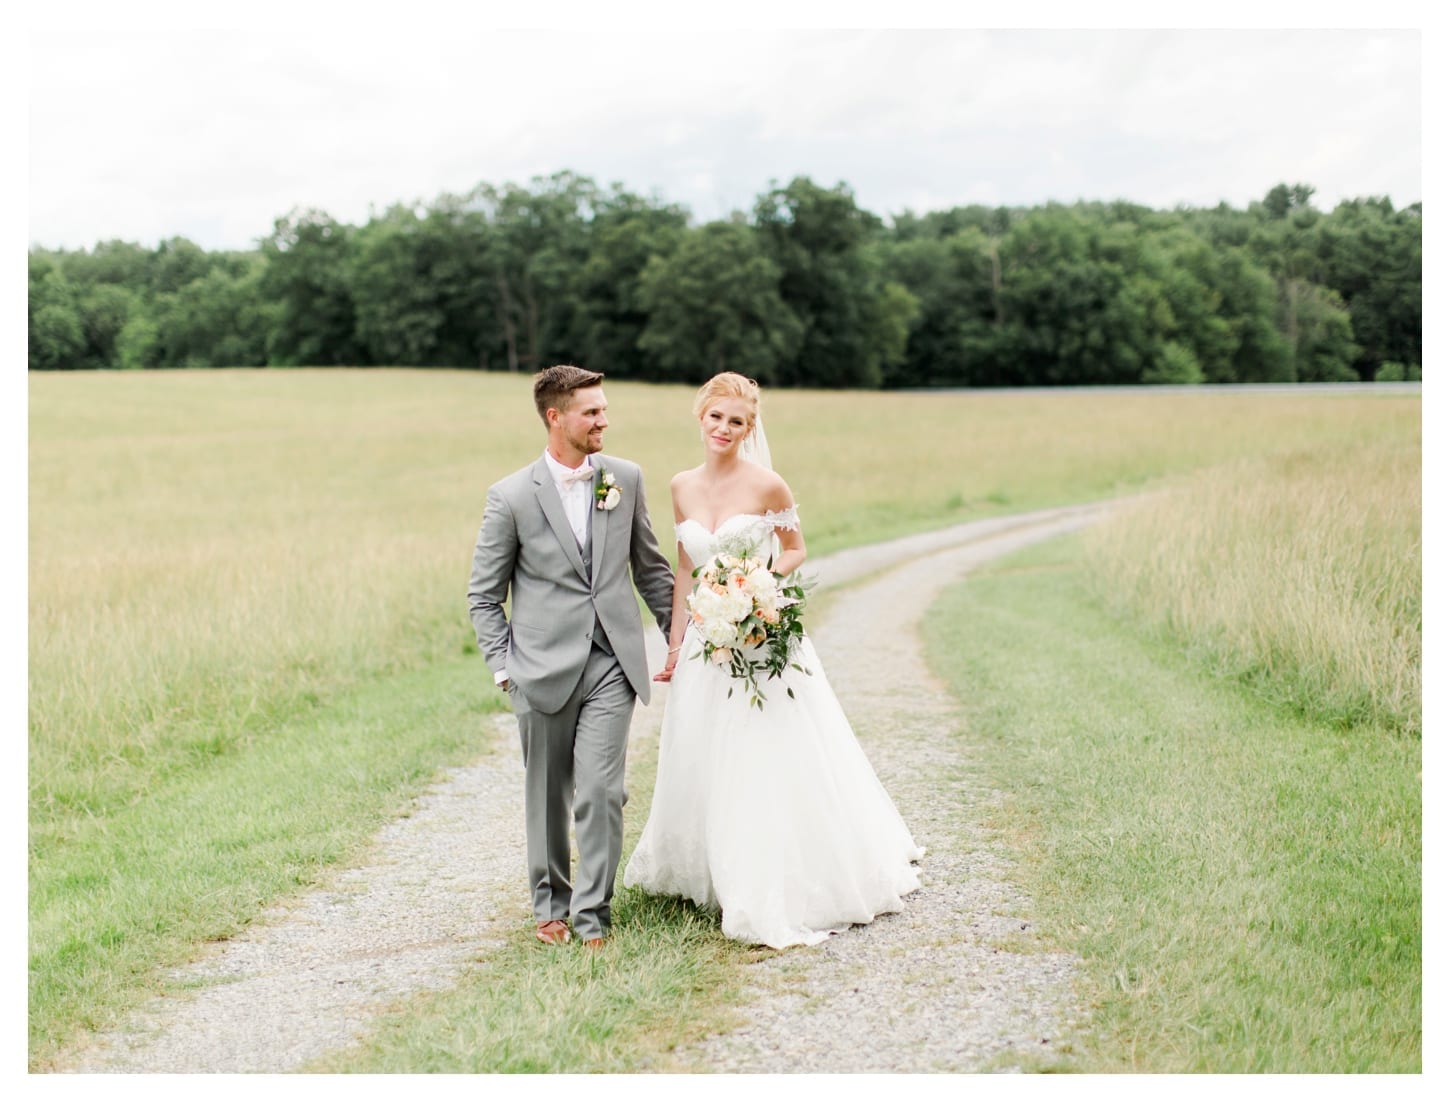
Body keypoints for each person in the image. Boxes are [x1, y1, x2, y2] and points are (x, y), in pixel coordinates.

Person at [623, 372, 922, 949]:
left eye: (736, 421)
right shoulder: (681, 485)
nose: (723, 429)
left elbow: (795, 549)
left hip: (759, 636)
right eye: (716, 417)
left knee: (761, 752)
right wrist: (675, 645)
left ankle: (773, 878)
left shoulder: (768, 485)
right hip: (708, 639)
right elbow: (686, 568)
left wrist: (757, 585)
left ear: (749, 427)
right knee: (705, 751)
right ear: (700, 416)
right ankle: (707, 871)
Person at [468, 365, 674, 950]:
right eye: (592, 412)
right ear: (556, 417)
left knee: (602, 790)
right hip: (539, 668)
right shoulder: (510, 497)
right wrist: (504, 667)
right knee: (547, 793)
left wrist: (678, 638)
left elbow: (652, 571)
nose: (604, 419)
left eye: (605, 409)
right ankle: (550, 906)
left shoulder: (625, 479)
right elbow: (484, 595)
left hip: (613, 660)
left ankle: (592, 916)